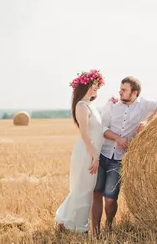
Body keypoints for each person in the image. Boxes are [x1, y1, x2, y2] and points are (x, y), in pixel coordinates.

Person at [91, 76, 157, 235]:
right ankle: (96, 231)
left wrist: (148, 122)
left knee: (111, 198)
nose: (120, 92)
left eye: (124, 90)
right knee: (97, 193)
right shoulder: (112, 105)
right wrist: (117, 138)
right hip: (103, 155)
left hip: (119, 160)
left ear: (135, 93)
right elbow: (102, 128)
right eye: (120, 89)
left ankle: (109, 225)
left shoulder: (143, 105)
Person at [55, 69, 106, 234]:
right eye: (95, 85)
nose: (97, 87)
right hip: (86, 153)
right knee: (83, 190)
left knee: (85, 189)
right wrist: (95, 157)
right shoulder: (81, 106)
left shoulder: (91, 105)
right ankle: (79, 227)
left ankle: (68, 222)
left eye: (98, 85)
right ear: (87, 86)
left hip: (91, 152)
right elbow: (84, 135)